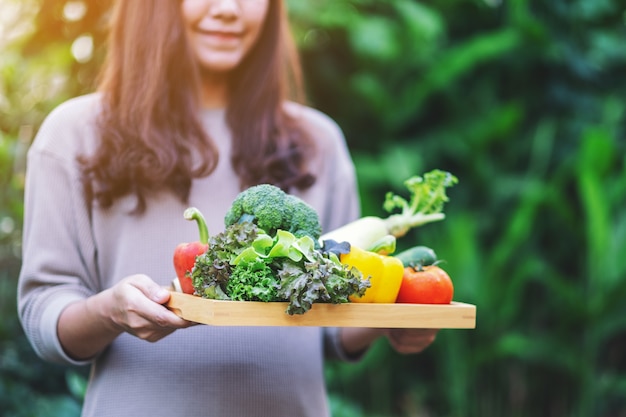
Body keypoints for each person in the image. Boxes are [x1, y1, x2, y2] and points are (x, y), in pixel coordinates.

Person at [17, 1, 438, 416]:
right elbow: (44, 309)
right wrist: (108, 311)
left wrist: (391, 319)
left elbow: (333, 326)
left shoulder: (318, 142)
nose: (229, 8)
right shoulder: (74, 135)